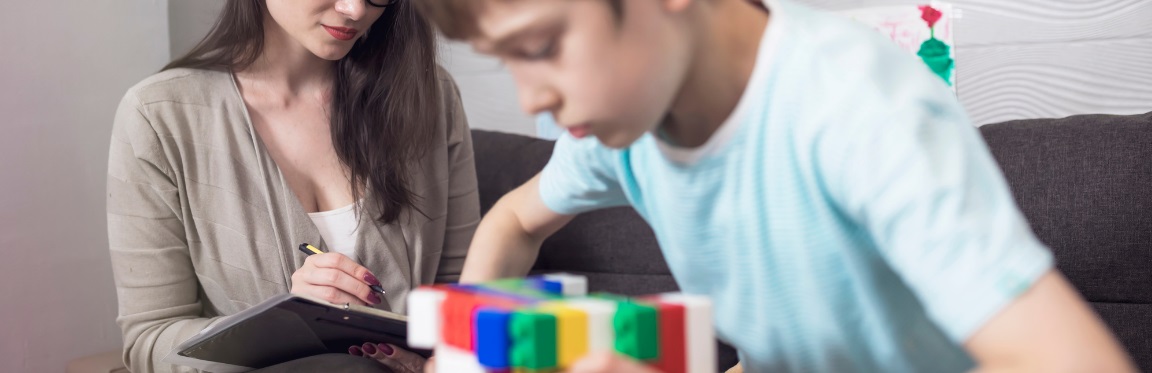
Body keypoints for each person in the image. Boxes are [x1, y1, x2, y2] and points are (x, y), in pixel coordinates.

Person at [412, 0, 1137, 372]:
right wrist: (463, 346)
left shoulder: (855, 112)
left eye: (539, 48)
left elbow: (1077, 360)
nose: (529, 97)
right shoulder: (628, 126)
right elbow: (513, 221)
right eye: (502, 60)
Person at [106, 0, 479, 371]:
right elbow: (149, 340)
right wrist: (281, 326)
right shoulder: (159, 116)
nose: (354, 10)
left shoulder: (430, 96)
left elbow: (468, 291)